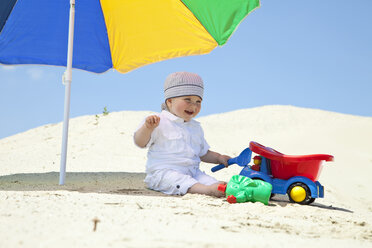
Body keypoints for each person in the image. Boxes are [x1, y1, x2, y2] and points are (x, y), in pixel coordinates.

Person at [134, 71, 231, 197]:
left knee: (211, 182)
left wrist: (219, 158)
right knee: (184, 182)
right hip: (164, 173)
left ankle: (222, 189)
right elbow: (140, 142)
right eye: (188, 100)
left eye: (198, 101)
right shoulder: (158, 121)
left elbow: (203, 153)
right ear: (170, 101)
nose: (193, 106)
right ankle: (207, 191)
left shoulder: (195, 127)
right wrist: (147, 128)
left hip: (192, 172)